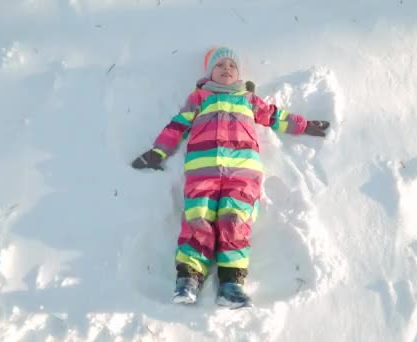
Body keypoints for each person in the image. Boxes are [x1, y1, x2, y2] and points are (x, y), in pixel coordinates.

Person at [132, 47, 330, 308]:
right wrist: (158, 152)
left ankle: (231, 284)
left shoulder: (248, 99)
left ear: (238, 74)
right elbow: (177, 125)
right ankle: (188, 279)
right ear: (210, 73)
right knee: (197, 218)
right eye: (220, 65)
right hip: (203, 170)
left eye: (231, 66)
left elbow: (275, 116)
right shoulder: (200, 97)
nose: (226, 68)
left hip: (243, 172)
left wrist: (305, 125)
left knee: (236, 221)